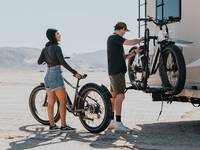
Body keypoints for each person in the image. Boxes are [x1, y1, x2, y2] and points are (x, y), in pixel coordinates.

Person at [38, 28, 82, 132]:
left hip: (48, 76)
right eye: (57, 33)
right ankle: (63, 125)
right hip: (56, 75)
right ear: (53, 35)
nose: (59, 35)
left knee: (51, 102)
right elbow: (62, 62)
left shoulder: (45, 49)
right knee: (63, 102)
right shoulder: (57, 47)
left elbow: (39, 62)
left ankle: (52, 125)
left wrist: (47, 58)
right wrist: (75, 72)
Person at [107, 22, 143, 131]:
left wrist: (134, 53)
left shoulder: (115, 41)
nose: (124, 34)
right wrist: (140, 40)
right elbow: (129, 42)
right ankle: (118, 122)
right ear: (122, 29)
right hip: (117, 73)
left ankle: (112, 121)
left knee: (114, 96)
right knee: (120, 96)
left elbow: (123, 57)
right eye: (124, 31)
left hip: (115, 72)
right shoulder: (114, 37)